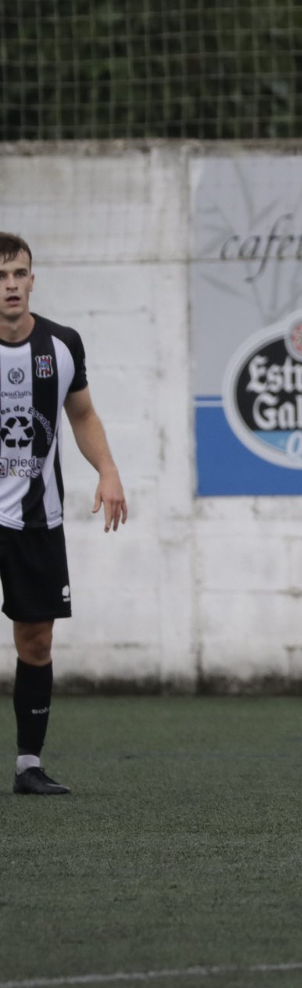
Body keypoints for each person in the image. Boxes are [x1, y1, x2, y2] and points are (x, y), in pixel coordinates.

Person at [0, 233, 128, 796]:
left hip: (36, 520)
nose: (11, 286)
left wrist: (108, 470)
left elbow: (83, 415)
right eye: (1, 276)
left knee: (36, 641)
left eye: (19, 274)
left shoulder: (61, 344)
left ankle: (29, 765)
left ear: (32, 279)